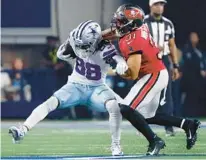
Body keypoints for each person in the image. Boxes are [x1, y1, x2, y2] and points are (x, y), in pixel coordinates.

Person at [9, 20, 130, 156]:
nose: (80, 49)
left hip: (97, 88)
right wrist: (71, 42)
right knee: (50, 103)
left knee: (115, 107)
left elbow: (118, 59)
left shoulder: (105, 48)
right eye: (78, 44)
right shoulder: (76, 40)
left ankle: (116, 145)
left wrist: (122, 63)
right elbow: (61, 54)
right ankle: (23, 129)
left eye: (83, 45)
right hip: (75, 86)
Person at [108, 4, 200, 152]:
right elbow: (113, 33)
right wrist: (98, 38)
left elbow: (132, 74)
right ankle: (187, 124)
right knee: (147, 117)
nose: (118, 23)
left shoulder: (134, 39)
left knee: (125, 108)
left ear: (131, 24)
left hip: (153, 75)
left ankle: (155, 141)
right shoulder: (136, 28)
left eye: (121, 20)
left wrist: (119, 70)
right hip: (156, 71)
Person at [144, 0, 179, 136]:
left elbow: (172, 45)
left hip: (163, 60)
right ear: (150, 6)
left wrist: (175, 65)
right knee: (146, 92)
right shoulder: (143, 22)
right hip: (147, 60)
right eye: (157, 4)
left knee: (166, 94)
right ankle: (143, 125)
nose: (160, 7)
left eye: (162, 5)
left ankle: (168, 126)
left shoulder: (168, 23)